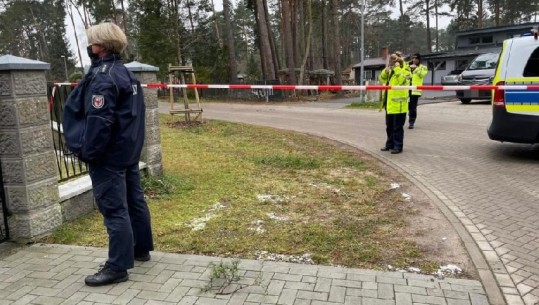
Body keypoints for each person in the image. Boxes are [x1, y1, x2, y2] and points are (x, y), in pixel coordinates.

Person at [62, 22, 154, 287]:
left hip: (109, 156)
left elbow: (99, 121)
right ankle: (139, 248)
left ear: (100, 46)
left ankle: (117, 266)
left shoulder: (104, 77)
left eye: (91, 43)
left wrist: (90, 152)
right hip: (127, 153)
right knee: (134, 202)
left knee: (114, 209)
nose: (89, 47)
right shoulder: (124, 73)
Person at [379, 53, 411, 154]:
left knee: (397, 127)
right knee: (389, 126)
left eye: (394, 60)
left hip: (400, 105)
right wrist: (386, 71)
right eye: (391, 60)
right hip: (389, 103)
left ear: (400, 61)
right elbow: (381, 79)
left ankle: (398, 146)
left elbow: (402, 81)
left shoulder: (406, 70)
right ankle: (389, 144)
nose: (392, 62)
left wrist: (397, 69)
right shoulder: (390, 70)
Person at [408, 53, 428, 129]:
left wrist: (415, 68)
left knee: (413, 107)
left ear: (419, 59)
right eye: (413, 58)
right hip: (406, 89)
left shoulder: (423, 67)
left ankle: (411, 122)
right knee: (407, 106)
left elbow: (422, 75)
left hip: (415, 90)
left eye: (416, 58)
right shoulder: (408, 66)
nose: (414, 60)